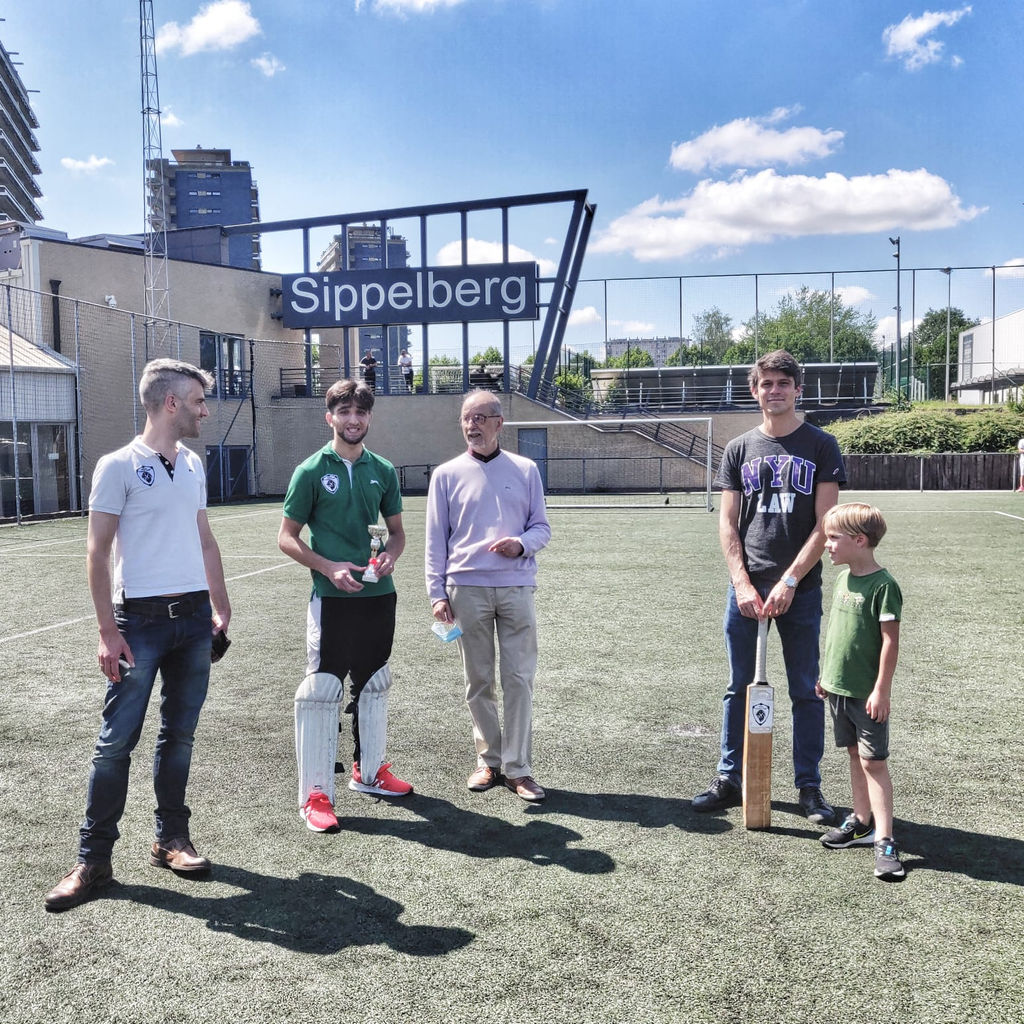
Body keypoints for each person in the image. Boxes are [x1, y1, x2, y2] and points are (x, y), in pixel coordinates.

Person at [45, 359, 232, 912]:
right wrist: (107, 631)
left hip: (193, 621)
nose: (205, 410)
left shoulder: (193, 463)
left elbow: (204, 538)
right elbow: (97, 552)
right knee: (115, 744)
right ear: (171, 403)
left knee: (179, 737)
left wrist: (220, 604)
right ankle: (93, 861)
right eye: (198, 401)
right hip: (138, 624)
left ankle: (171, 840)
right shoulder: (117, 466)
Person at [693, 349, 845, 824]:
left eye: (783, 383)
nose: (774, 390)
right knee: (738, 687)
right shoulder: (739, 448)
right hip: (746, 590)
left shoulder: (821, 445)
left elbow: (825, 524)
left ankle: (809, 787)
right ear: (754, 390)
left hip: (801, 590)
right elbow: (727, 522)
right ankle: (729, 778)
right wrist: (742, 582)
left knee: (805, 689)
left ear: (797, 389)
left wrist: (790, 580)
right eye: (766, 383)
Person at [278, 378, 411, 834]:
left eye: (361, 412)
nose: (353, 420)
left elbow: (396, 533)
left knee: (374, 683)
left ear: (369, 417)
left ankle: (369, 772)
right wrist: (328, 567)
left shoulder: (384, 470)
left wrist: (390, 556)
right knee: (322, 689)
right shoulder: (311, 470)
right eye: (344, 411)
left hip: (379, 595)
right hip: (332, 598)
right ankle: (316, 794)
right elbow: (287, 538)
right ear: (329, 417)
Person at [425, 390, 551, 802]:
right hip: (466, 588)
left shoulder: (526, 469)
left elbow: (541, 528)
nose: (472, 425)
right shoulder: (446, 475)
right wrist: (436, 593)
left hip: (516, 587)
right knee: (478, 680)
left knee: (519, 679)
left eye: (480, 418)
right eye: (466, 417)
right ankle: (488, 761)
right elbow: (435, 540)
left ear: (499, 423)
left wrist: (521, 544)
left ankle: (519, 768)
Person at [816, 503, 904, 880]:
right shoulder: (842, 580)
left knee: (873, 763)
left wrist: (881, 690)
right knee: (855, 754)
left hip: (867, 694)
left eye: (833, 538)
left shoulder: (884, 586)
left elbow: (890, 642)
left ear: (860, 540)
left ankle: (885, 840)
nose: (827, 544)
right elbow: (838, 635)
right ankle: (861, 822)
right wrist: (826, 676)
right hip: (839, 689)